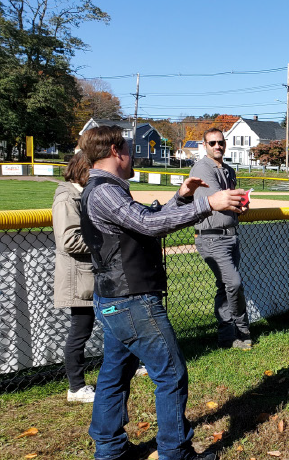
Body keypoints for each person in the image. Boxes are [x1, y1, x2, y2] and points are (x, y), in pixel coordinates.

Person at [80, 126, 244, 460]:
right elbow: (150, 226)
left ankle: (110, 450)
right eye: (128, 147)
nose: (132, 153)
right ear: (115, 151)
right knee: (170, 374)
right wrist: (207, 203)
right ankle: (175, 452)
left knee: (115, 373)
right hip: (131, 301)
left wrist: (181, 198)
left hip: (119, 300)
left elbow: (145, 219)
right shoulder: (104, 191)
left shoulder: (105, 188)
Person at [190, 128, 252, 350]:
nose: (218, 146)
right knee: (234, 283)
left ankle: (226, 338)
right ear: (205, 145)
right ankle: (242, 330)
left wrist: (242, 205)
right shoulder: (202, 168)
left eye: (221, 142)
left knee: (225, 286)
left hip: (231, 236)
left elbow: (235, 203)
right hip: (211, 238)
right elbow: (222, 199)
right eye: (212, 143)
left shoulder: (228, 169)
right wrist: (238, 201)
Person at [53, 151, 96, 403]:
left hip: (91, 275)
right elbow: (69, 241)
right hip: (78, 278)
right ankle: (76, 388)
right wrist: (106, 243)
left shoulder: (82, 194)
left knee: (116, 325)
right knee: (80, 331)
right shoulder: (66, 197)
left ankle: (130, 365)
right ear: (83, 169)